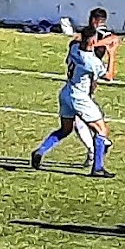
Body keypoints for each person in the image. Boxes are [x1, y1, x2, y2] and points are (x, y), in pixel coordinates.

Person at [33, 25, 113, 177]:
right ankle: (97, 167)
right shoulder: (91, 61)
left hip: (66, 93)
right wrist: (112, 54)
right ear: (93, 41)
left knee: (65, 129)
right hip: (80, 97)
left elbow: (74, 42)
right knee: (102, 131)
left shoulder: (74, 48)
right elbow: (109, 76)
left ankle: (40, 150)